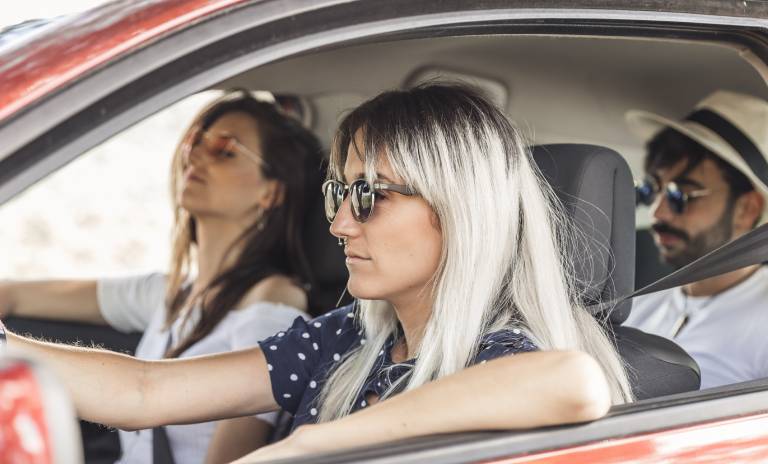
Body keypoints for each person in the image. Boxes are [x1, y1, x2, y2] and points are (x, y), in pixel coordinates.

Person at [0, 83, 632, 463]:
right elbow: (146, 393)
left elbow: (573, 379)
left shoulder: (503, 357)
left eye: (371, 196)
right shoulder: (351, 340)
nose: (340, 224)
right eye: (340, 194)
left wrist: (304, 448)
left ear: (457, 211)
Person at [0, 90, 324, 463]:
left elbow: (229, 458)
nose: (196, 156)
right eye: (195, 142)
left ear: (270, 192)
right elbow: (13, 295)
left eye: (225, 150)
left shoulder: (272, 305)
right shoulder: (170, 293)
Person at [625, 90, 768, 389]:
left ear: (747, 208)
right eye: (652, 191)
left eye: (681, 195)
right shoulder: (637, 306)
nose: (657, 212)